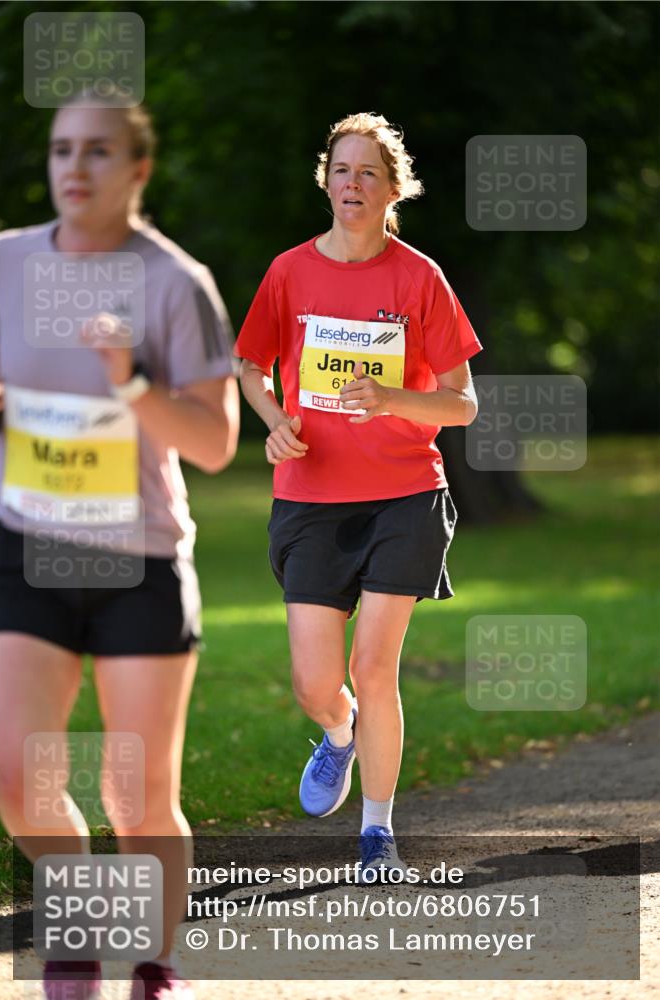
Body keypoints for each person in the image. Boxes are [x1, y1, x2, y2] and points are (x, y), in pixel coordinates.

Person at [0, 94, 239, 999]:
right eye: (63, 149)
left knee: (136, 796)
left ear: (137, 169)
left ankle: (154, 963)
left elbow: (214, 443)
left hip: (138, 559)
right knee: (16, 773)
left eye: (98, 150)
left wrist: (130, 381)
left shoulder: (175, 283)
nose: (75, 166)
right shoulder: (6, 262)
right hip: (25, 544)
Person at [236, 112, 482, 880]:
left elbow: (462, 404)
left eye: (367, 172)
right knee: (317, 684)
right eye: (341, 170)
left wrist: (391, 400)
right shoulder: (288, 272)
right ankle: (337, 734)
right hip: (310, 496)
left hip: (403, 494)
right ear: (326, 182)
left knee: (374, 666)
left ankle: (377, 835)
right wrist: (275, 422)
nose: (352, 184)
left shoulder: (419, 278)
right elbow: (251, 366)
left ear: (391, 189)